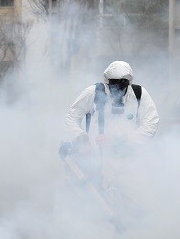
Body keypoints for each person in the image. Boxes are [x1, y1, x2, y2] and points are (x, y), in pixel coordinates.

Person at [60, 61, 159, 210]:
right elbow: (71, 117)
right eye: (113, 84)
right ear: (107, 81)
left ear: (128, 83)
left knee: (139, 204)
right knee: (96, 206)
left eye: (121, 85)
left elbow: (151, 124)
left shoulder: (138, 95)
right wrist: (81, 138)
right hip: (96, 160)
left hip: (127, 160)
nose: (116, 89)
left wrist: (124, 140)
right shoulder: (93, 93)